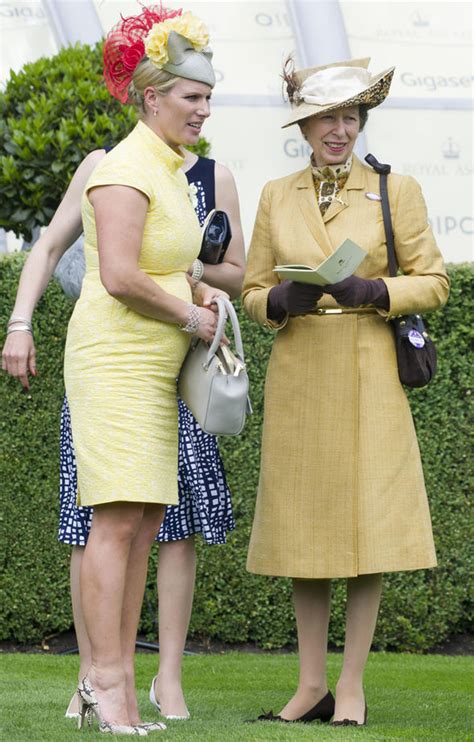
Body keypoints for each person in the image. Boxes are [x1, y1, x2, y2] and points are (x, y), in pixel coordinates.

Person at [4, 6, 229, 736]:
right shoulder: (125, 166)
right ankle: (102, 682)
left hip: (154, 370)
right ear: (151, 96)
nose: (203, 109)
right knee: (115, 520)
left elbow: (165, 263)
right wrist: (193, 316)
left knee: (146, 518)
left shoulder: (164, 167)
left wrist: (199, 286)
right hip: (116, 364)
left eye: (207, 97)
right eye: (192, 96)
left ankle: (119, 687)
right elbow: (124, 277)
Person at [242, 57, 449, 727]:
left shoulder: (397, 189)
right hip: (301, 373)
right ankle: (309, 686)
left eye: (351, 115)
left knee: (368, 529)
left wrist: (376, 291)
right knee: (305, 532)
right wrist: (280, 297)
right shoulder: (276, 194)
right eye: (329, 115)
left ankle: (351, 686)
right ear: (304, 124)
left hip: (368, 372)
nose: (341, 128)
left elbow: (435, 282)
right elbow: (249, 291)